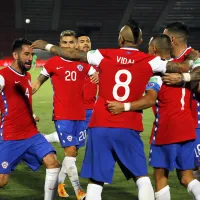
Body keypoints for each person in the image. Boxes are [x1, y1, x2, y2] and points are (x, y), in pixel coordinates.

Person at [31, 19, 199, 200]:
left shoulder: (103, 55)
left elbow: (71, 53)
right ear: (141, 42)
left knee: (96, 181)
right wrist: (192, 58)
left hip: (100, 124)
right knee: (142, 178)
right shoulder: (150, 60)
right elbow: (181, 67)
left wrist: (46, 46)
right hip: (129, 124)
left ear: (120, 40)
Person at [107, 34, 200, 200]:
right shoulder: (181, 68)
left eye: (149, 48)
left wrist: (125, 106)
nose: (147, 50)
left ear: (154, 49)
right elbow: (193, 70)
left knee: (160, 177)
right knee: (187, 178)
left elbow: (149, 99)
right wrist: (193, 58)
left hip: (167, 129)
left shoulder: (156, 70)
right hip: (187, 128)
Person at [32, 30, 97, 200]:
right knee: (70, 151)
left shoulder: (84, 63)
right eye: (65, 43)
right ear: (60, 45)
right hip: (62, 115)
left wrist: (99, 77)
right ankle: (78, 191)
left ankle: (59, 185)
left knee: (73, 152)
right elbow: (40, 80)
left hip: (81, 114)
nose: (68, 45)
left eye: (71, 42)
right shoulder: (52, 63)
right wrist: (35, 85)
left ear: (75, 44)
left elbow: (97, 76)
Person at [0, 38, 60, 200]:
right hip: (11, 136)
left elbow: (22, 102)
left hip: (31, 134)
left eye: (32, 54)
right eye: (26, 54)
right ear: (15, 55)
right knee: (2, 180)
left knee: (53, 163)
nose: (29, 57)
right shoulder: (3, 76)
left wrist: (31, 115)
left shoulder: (26, 76)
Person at [161, 22, 200, 179]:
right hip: (180, 125)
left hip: (196, 122)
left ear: (172, 39)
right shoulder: (173, 61)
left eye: (164, 37)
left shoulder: (195, 56)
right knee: (185, 176)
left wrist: (183, 78)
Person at [44, 31, 98, 143]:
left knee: (82, 139)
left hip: (91, 107)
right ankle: (48, 138)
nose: (86, 44)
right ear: (76, 45)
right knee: (76, 140)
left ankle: (49, 138)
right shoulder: (72, 61)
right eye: (82, 42)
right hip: (78, 108)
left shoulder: (96, 60)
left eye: (88, 41)